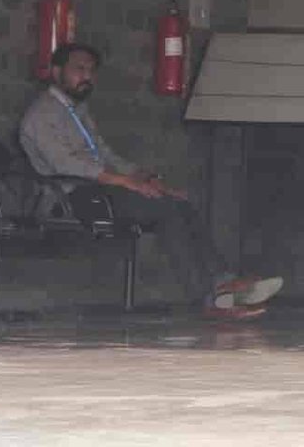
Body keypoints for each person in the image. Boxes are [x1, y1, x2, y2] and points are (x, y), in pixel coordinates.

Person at [18, 42, 282, 319]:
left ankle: (223, 283)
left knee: (180, 203)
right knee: (164, 209)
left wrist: (145, 177)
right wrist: (125, 182)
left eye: (91, 71)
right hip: (69, 198)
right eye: (79, 69)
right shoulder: (41, 115)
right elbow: (66, 164)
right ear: (57, 72)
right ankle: (208, 297)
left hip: (99, 191)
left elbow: (106, 155)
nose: (87, 76)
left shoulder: (77, 111)